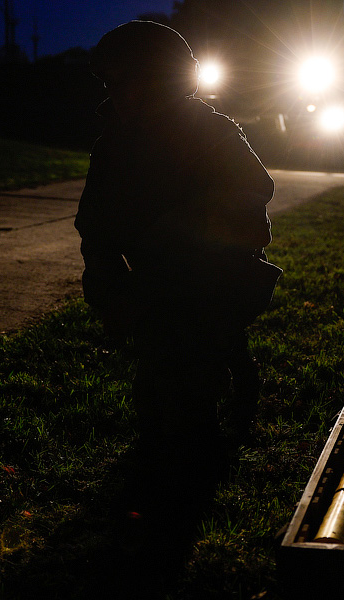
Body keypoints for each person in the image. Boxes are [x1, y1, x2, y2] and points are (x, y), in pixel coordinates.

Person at [74, 21, 280, 494]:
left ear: (166, 81)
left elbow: (256, 186)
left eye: (129, 81)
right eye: (112, 84)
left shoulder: (210, 129)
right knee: (158, 362)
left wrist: (185, 222)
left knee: (192, 359)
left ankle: (199, 438)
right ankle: (166, 429)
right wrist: (104, 279)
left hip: (214, 269)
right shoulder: (113, 146)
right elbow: (94, 220)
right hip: (154, 274)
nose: (120, 94)